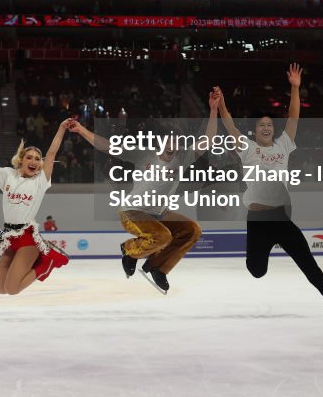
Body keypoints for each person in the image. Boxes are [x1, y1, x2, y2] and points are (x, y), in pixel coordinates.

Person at [217, 65, 323, 326]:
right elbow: (229, 123)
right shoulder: (247, 148)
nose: (265, 127)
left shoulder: (283, 145)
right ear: (254, 131)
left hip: (282, 218)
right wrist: (220, 104)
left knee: (309, 265)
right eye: (260, 125)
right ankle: (262, 253)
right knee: (257, 271)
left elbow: (294, 118)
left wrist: (296, 87)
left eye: (268, 125)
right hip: (258, 220)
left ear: (273, 130)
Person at [67, 89, 219, 295]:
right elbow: (108, 147)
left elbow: (209, 139)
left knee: (192, 230)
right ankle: (129, 250)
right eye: (168, 139)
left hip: (159, 213)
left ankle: (157, 268)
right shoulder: (143, 155)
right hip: (133, 211)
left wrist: (213, 110)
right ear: (160, 142)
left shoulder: (183, 158)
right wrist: (82, 130)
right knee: (162, 236)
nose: (172, 143)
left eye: (176, 140)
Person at [0, 119, 71, 295]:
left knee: (12, 289)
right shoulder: (9, 175)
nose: (34, 161)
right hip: (8, 235)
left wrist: (61, 128)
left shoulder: (41, 180)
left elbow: (51, 153)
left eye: (37, 159)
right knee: (1, 289)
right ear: (21, 160)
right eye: (29, 157)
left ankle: (46, 263)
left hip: (28, 238)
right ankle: (40, 260)